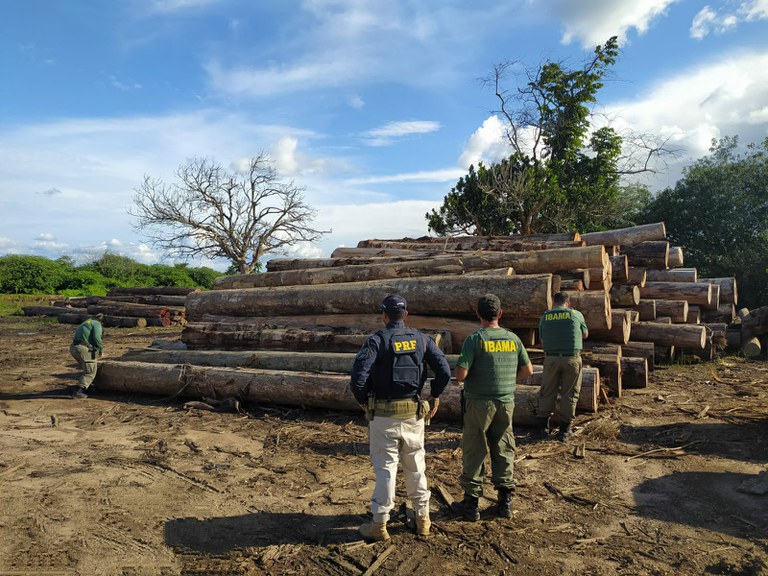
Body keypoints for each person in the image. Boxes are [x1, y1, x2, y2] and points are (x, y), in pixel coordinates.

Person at [350, 294, 452, 542]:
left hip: (383, 417)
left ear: (384, 316)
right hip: (414, 416)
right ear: (405, 315)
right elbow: (445, 371)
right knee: (416, 467)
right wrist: (433, 396)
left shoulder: (376, 341)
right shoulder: (422, 339)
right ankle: (423, 519)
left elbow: (358, 379)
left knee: (386, 469)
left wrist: (365, 402)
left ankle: (379, 524)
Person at [451, 294, 533, 521]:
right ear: (500, 314)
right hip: (506, 402)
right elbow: (528, 371)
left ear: (478, 314)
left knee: (474, 449)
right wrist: (506, 381)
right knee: (504, 447)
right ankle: (504, 502)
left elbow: (461, 375)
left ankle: (471, 504)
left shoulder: (475, 339)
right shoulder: (513, 339)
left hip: (478, 403)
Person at [536, 291, 589, 441]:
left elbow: (542, 340)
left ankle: (542, 429)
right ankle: (564, 431)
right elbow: (585, 335)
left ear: (554, 302)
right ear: (568, 303)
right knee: (569, 393)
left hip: (551, 359)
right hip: (571, 359)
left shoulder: (545, 316)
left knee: (547, 392)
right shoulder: (576, 314)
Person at [69, 313, 105, 399]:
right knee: (90, 371)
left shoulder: (87, 322)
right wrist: (100, 350)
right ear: (102, 322)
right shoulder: (97, 324)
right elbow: (97, 338)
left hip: (74, 348)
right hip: (83, 349)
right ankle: (79, 390)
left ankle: (87, 385)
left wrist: (95, 354)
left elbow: (90, 344)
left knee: (88, 367)